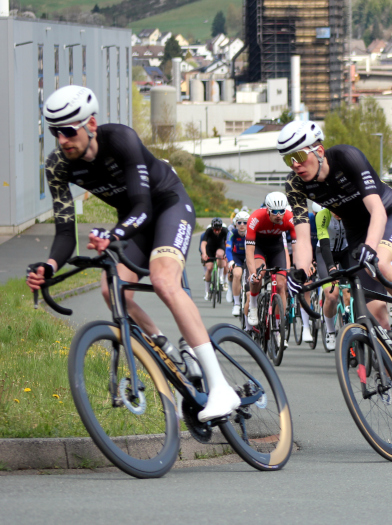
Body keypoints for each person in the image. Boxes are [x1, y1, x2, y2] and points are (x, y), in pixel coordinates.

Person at [27, 85, 240, 422]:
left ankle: (220, 388)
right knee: (110, 290)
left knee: (163, 280)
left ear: (91, 124)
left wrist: (113, 234)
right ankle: (163, 347)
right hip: (131, 223)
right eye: (56, 133)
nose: (63, 140)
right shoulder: (57, 167)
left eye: (69, 131)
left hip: (167, 204)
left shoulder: (120, 140)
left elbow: (143, 205)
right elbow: (66, 233)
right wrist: (49, 266)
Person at [278, 120, 392, 370]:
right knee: (377, 311)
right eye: (288, 160)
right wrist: (300, 271)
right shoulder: (295, 184)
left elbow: (377, 211)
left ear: (319, 150)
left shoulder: (348, 158)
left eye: (300, 155)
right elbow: (303, 236)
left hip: (388, 214)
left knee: (378, 263)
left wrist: (371, 247)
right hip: (357, 230)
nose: (295, 165)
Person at [244, 192, 296, 331]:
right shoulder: (255, 218)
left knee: (281, 284)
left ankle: (279, 326)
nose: (279, 215)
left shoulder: (289, 218)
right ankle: (253, 306)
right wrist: (252, 273)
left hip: (276, 247)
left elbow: (295, 247)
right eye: (275, 212)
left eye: (281, 211)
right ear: (267, 209)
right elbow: (249, 250)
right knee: (258, 275)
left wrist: (296, 267)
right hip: (258, 247)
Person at [315, 206, 350, 351]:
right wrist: (331, 267)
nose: (337, 211)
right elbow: (324, 245)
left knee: (351, 289)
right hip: (325, 253)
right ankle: (330, 331)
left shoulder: (350, 213)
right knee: (331, 295)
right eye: (333, 208)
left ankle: (351, 317)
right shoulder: (322, 215)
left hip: (345, 252)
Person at [226, 210, 249, 317]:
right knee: (236, 274)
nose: (242, 225)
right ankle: (237, 304)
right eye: (239, 222)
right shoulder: (232, 233)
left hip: (249, 256)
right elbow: (228, 249)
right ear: (235, 223)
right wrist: (231, 261)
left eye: (245, 222)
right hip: (237, 257)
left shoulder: (251, 233)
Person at [200, 217, 228, 301]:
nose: (217, 231)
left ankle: (221, 278)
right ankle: (207, 291)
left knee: (220, 255)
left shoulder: (225, 231)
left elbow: (228, 243)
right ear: (212, 228)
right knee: (209, 268)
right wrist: (204, 254)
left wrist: (226, 254)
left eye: (218, 229)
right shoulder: (208, 231)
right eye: (215, 230)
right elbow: (203, 243)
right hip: (210, 249)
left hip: (220, 247)